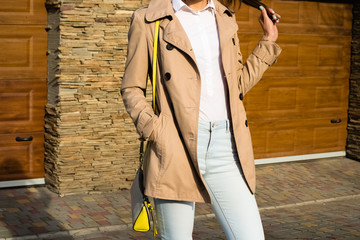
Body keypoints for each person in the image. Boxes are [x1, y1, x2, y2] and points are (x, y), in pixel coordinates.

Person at [121, 0, 282, 239]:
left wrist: (268, 41)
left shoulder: (225, 17)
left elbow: (235, 86)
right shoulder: (150, 20)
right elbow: (132, 87)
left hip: (226, 147)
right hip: (175, 148)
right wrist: (156, 130)